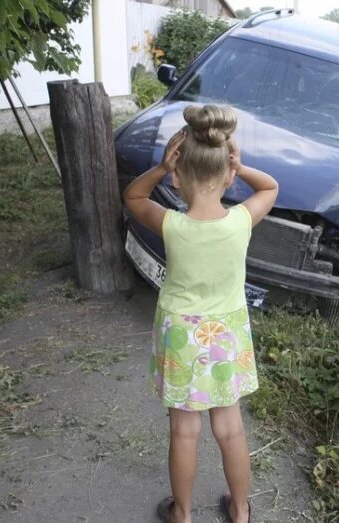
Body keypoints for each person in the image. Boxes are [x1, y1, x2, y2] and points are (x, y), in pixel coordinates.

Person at [123, 104, 278, 523]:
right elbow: (270, 189)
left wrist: (158, 169)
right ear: (227, 173)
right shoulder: (241, 220)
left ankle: (183, 514)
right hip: (225, 334)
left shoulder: (171, 223)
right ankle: (242, 512)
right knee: (230, 429)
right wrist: (242, 168)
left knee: (184, 431)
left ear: (177, 175)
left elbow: (132, 196)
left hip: (181, 335)